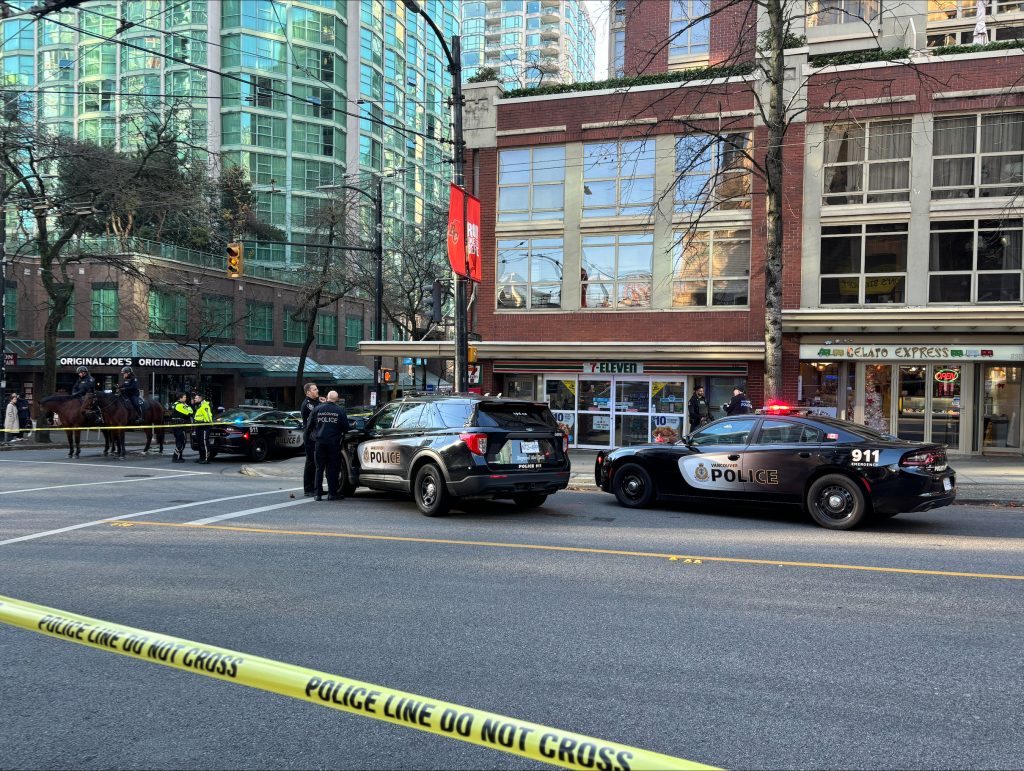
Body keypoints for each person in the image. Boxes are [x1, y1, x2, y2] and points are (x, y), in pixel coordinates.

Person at [309, 390, 349, 501]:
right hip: (333, 443)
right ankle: (332, 493)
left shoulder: (317, 409)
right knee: (333, 469)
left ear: (327, 397)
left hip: (320, 443)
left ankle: (317, 494)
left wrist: (313, 437)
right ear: (337, 399)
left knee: (319, 468)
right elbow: (346, 428)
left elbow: (309, 426)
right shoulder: (340, 411)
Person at [300, 382, 324, 497]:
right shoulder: (308, 404)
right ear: (308, 392)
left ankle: (316, 487)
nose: (317, 391)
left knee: (316, 462)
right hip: (310, 435)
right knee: (310, 462)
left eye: (317, 389)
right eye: (314, 389)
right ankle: (308, 488)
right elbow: (317, 414)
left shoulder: (316, 401)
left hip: (316, 434)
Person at [169, 392, 194, 463]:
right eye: (184, 397)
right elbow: (190, 412)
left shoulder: (176, 404)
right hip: (180, 426)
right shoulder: (179, 405)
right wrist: (187, 406)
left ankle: (179, 457)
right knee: (182, 441)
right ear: (180, 398)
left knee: (179, 441)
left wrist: (186, 405)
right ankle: (175, 457)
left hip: (177, 426)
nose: (186, 398)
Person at [192, 391, 213, 463]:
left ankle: (206, 459)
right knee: (199, 442)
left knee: (204, 442)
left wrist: (208, 424)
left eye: (196, 398)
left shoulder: (205, 406)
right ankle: (201, 457)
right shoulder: (199, 405)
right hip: (199, 426)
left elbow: (208, 416)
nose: (195, 399)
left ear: (200, 398)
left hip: (204, 426)